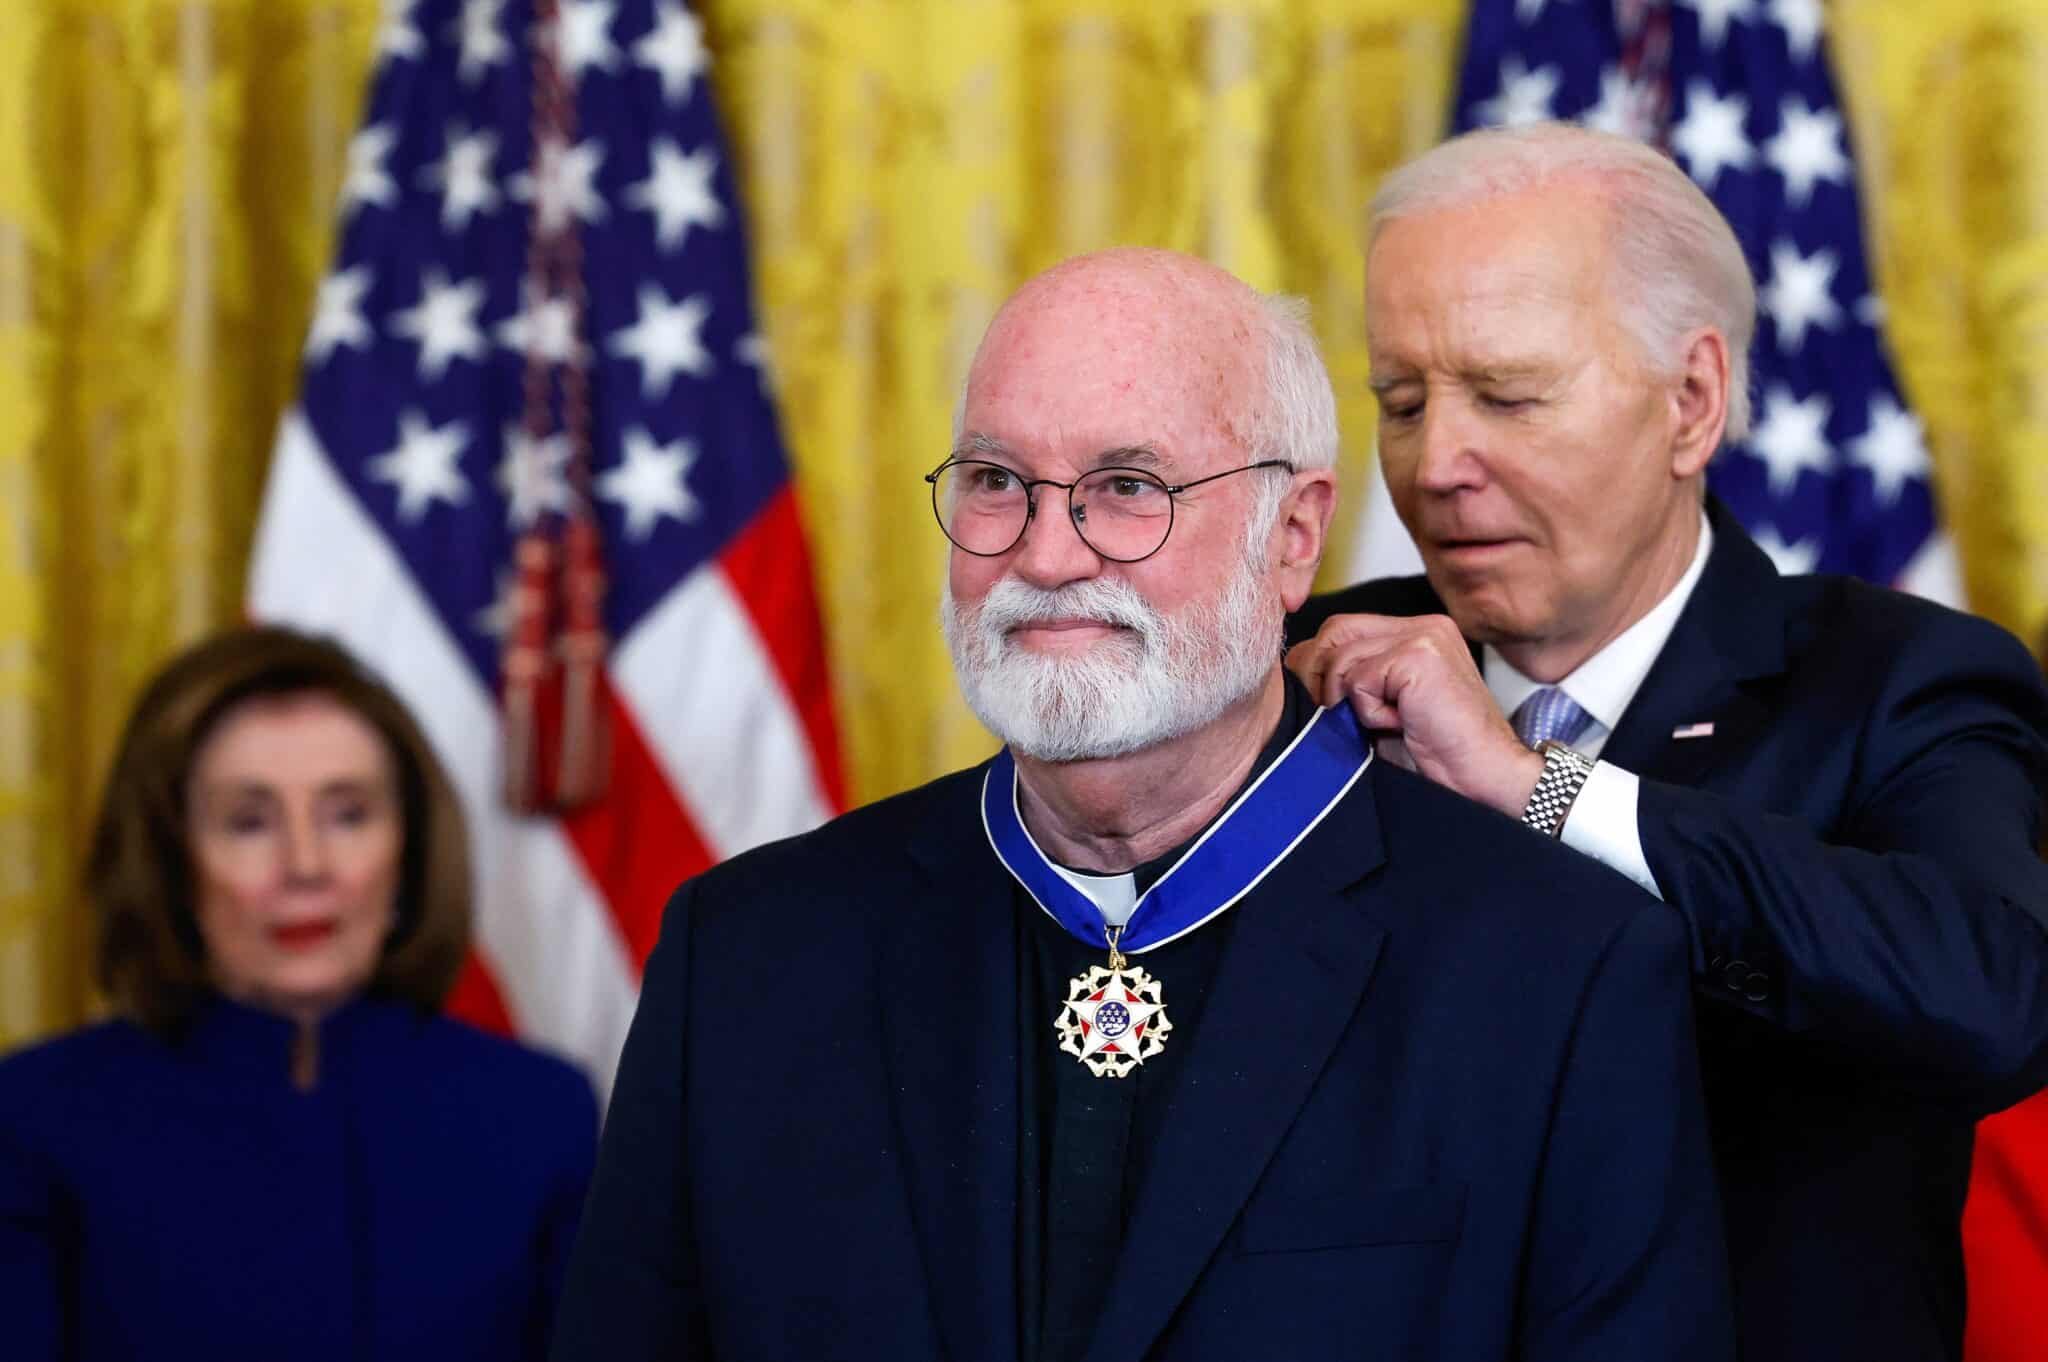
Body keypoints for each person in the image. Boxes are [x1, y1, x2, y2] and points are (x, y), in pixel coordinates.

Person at [553, 247, 1733, 1361]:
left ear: (1292, 538)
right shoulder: (747, 954)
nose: (1048, 552)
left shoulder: (1557, 974)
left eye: (1126, 487)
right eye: (995, 481)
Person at [1288, 123, 2048, 1362]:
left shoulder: (1890, 679)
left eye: (1506, 395)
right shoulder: (1301, 671)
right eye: (1401, 400)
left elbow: (1990, 996)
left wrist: (1534, 788)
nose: (1436, 465)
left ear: (1688, 403)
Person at [0, 627, 598, 1361]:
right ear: (168, 858)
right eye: (249, 822)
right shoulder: (35, 1117)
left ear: (407, 849)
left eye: (348, 814)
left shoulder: (541, 1114)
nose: (307, 865)